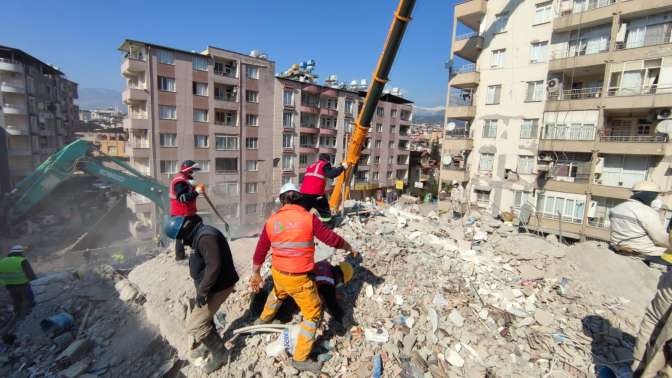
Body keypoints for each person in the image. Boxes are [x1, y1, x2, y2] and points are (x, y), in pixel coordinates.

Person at [249, 183, 357, 372]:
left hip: (279, 273)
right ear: (299, 198)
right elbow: (331, 238)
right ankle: (300, 358)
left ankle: (263, 319)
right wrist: (348, 247)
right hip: (299, 278)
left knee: (277, 293)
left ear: (281, 201)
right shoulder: (309, 219)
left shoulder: (272, 221)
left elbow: (260, 250)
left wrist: (256, 272)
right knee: (313, 314)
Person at [164, 215, 238, 374]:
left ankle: (221, 354)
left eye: (180, 238)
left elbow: (214, 266)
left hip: (218, 287)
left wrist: (203, 291)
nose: (182, 242)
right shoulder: (199, 234)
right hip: (212, 286)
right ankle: (208, 345)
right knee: (204, 319)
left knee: (195, 325)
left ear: (185, 229)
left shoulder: (206, 238)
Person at [609, 181, 670, 260]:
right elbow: (661, 240)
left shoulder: (616, 208)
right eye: (656, 195)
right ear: (648, 195)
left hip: (618, 247)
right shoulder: (648, 212)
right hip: (642, 252)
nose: (657, 198)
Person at [169, 160, 205, 261]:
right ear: (187, 170)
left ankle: (191, 252)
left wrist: (195, 188)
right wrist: (197, 192)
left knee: (196, 226)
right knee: (181, 234)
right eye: (192, 170)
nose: (193, 172)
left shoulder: (185, 179)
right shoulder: (180, 181)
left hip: (187, 212)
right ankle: (181, 257)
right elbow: (183, 198)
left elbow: (188, 191)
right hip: (181, 213)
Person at [299, 154, 348, 227]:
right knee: (324, 210)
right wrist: (342, 167)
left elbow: (324, 172)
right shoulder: (325, 164)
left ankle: (300, 226)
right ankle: (328, 225)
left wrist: (337, 168)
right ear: (327, 161)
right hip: (316, 193)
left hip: (303, 193)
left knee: (303, 212)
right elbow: (331, 174)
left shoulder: (312, 165)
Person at [313, 260, 353, 328]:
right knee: (319, 305)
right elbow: (333, 307)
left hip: (295, 276)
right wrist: (347, 322)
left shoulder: (325, 264)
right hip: (298, 291)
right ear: (340, 279)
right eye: (342, 282)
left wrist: (333, 295)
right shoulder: (327, 282)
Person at [0, 245, 37, 319]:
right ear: (21, 252)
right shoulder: (22, 260)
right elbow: (30, 274)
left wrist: (4, 283)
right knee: (26, 299)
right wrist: (35, 281)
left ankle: (17, 313)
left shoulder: (2, 261)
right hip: (22, 284)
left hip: (9, 286)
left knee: (16, 299)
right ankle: (25, 317)